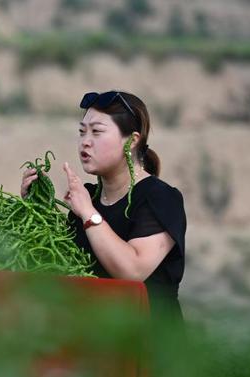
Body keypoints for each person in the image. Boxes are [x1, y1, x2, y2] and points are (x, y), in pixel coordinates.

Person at [21, 90, 186, 320]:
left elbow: (133, 270)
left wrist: (89, 213)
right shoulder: (88, 198)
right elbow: (58, 268)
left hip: (148, 342)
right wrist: (33, 210)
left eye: (97, 132)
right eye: (81, 132)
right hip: (94, 340)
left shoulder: (160, 198)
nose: (85, 142)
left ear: (132, 140)